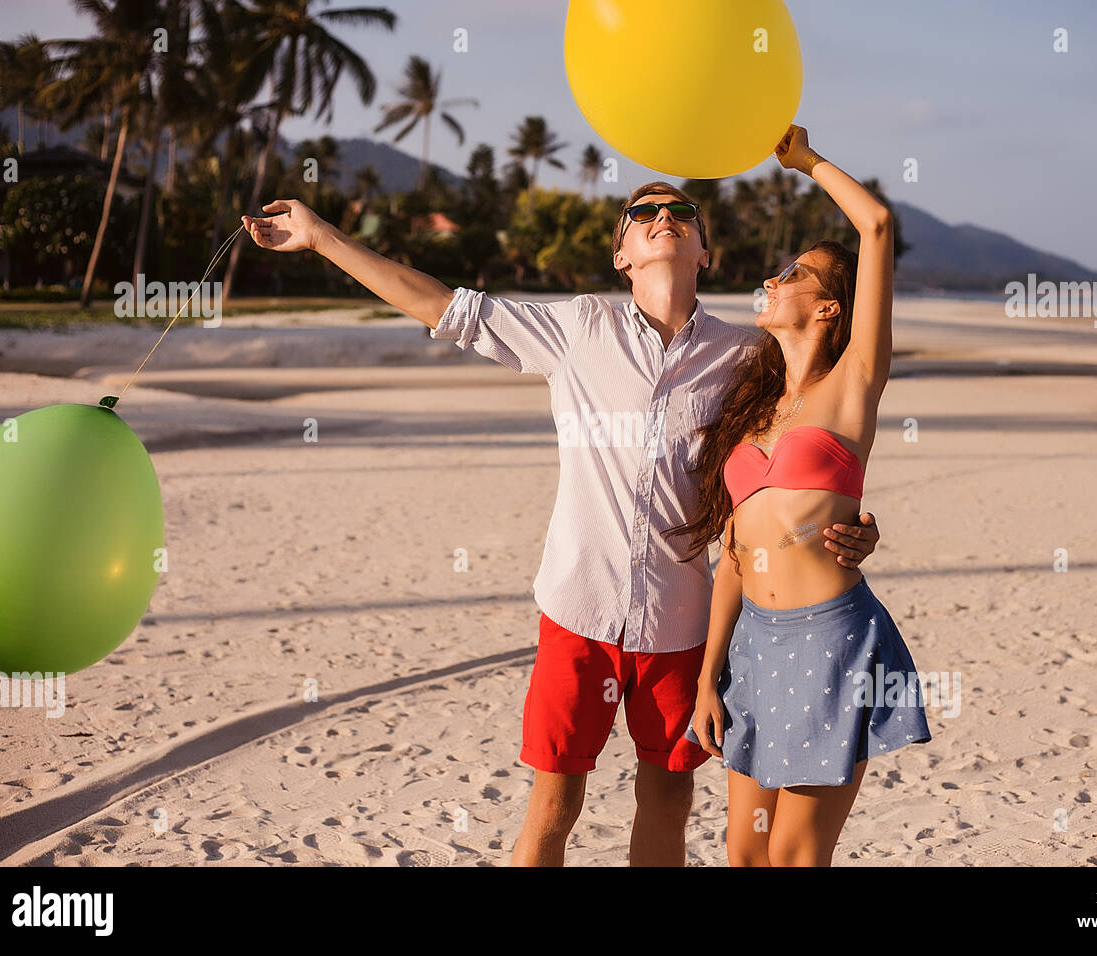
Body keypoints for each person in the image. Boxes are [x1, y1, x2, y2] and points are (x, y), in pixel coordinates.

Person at [238, 148, 884, 866]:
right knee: (554, 806)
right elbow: (440, 304)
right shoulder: (577, 330)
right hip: (578, 610)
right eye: (644, 213)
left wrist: (853, 520)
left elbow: (807, 439)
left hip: (682, 623)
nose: (664, 218)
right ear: (623, 256)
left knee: (667, 804)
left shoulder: (744, 356)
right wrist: (322, 236)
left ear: (705, 250)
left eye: (682, 213)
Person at [667, 125, 932, 867]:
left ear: (829, 311)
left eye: (795, 275)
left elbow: (875, 225)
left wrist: (805, 161)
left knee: (790, 857)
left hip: (830, 642)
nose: (774, 280)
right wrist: (707, 679)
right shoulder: (750, 411)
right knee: (744, 854)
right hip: (753, 641)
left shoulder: (853, 389)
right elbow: (731, 561)